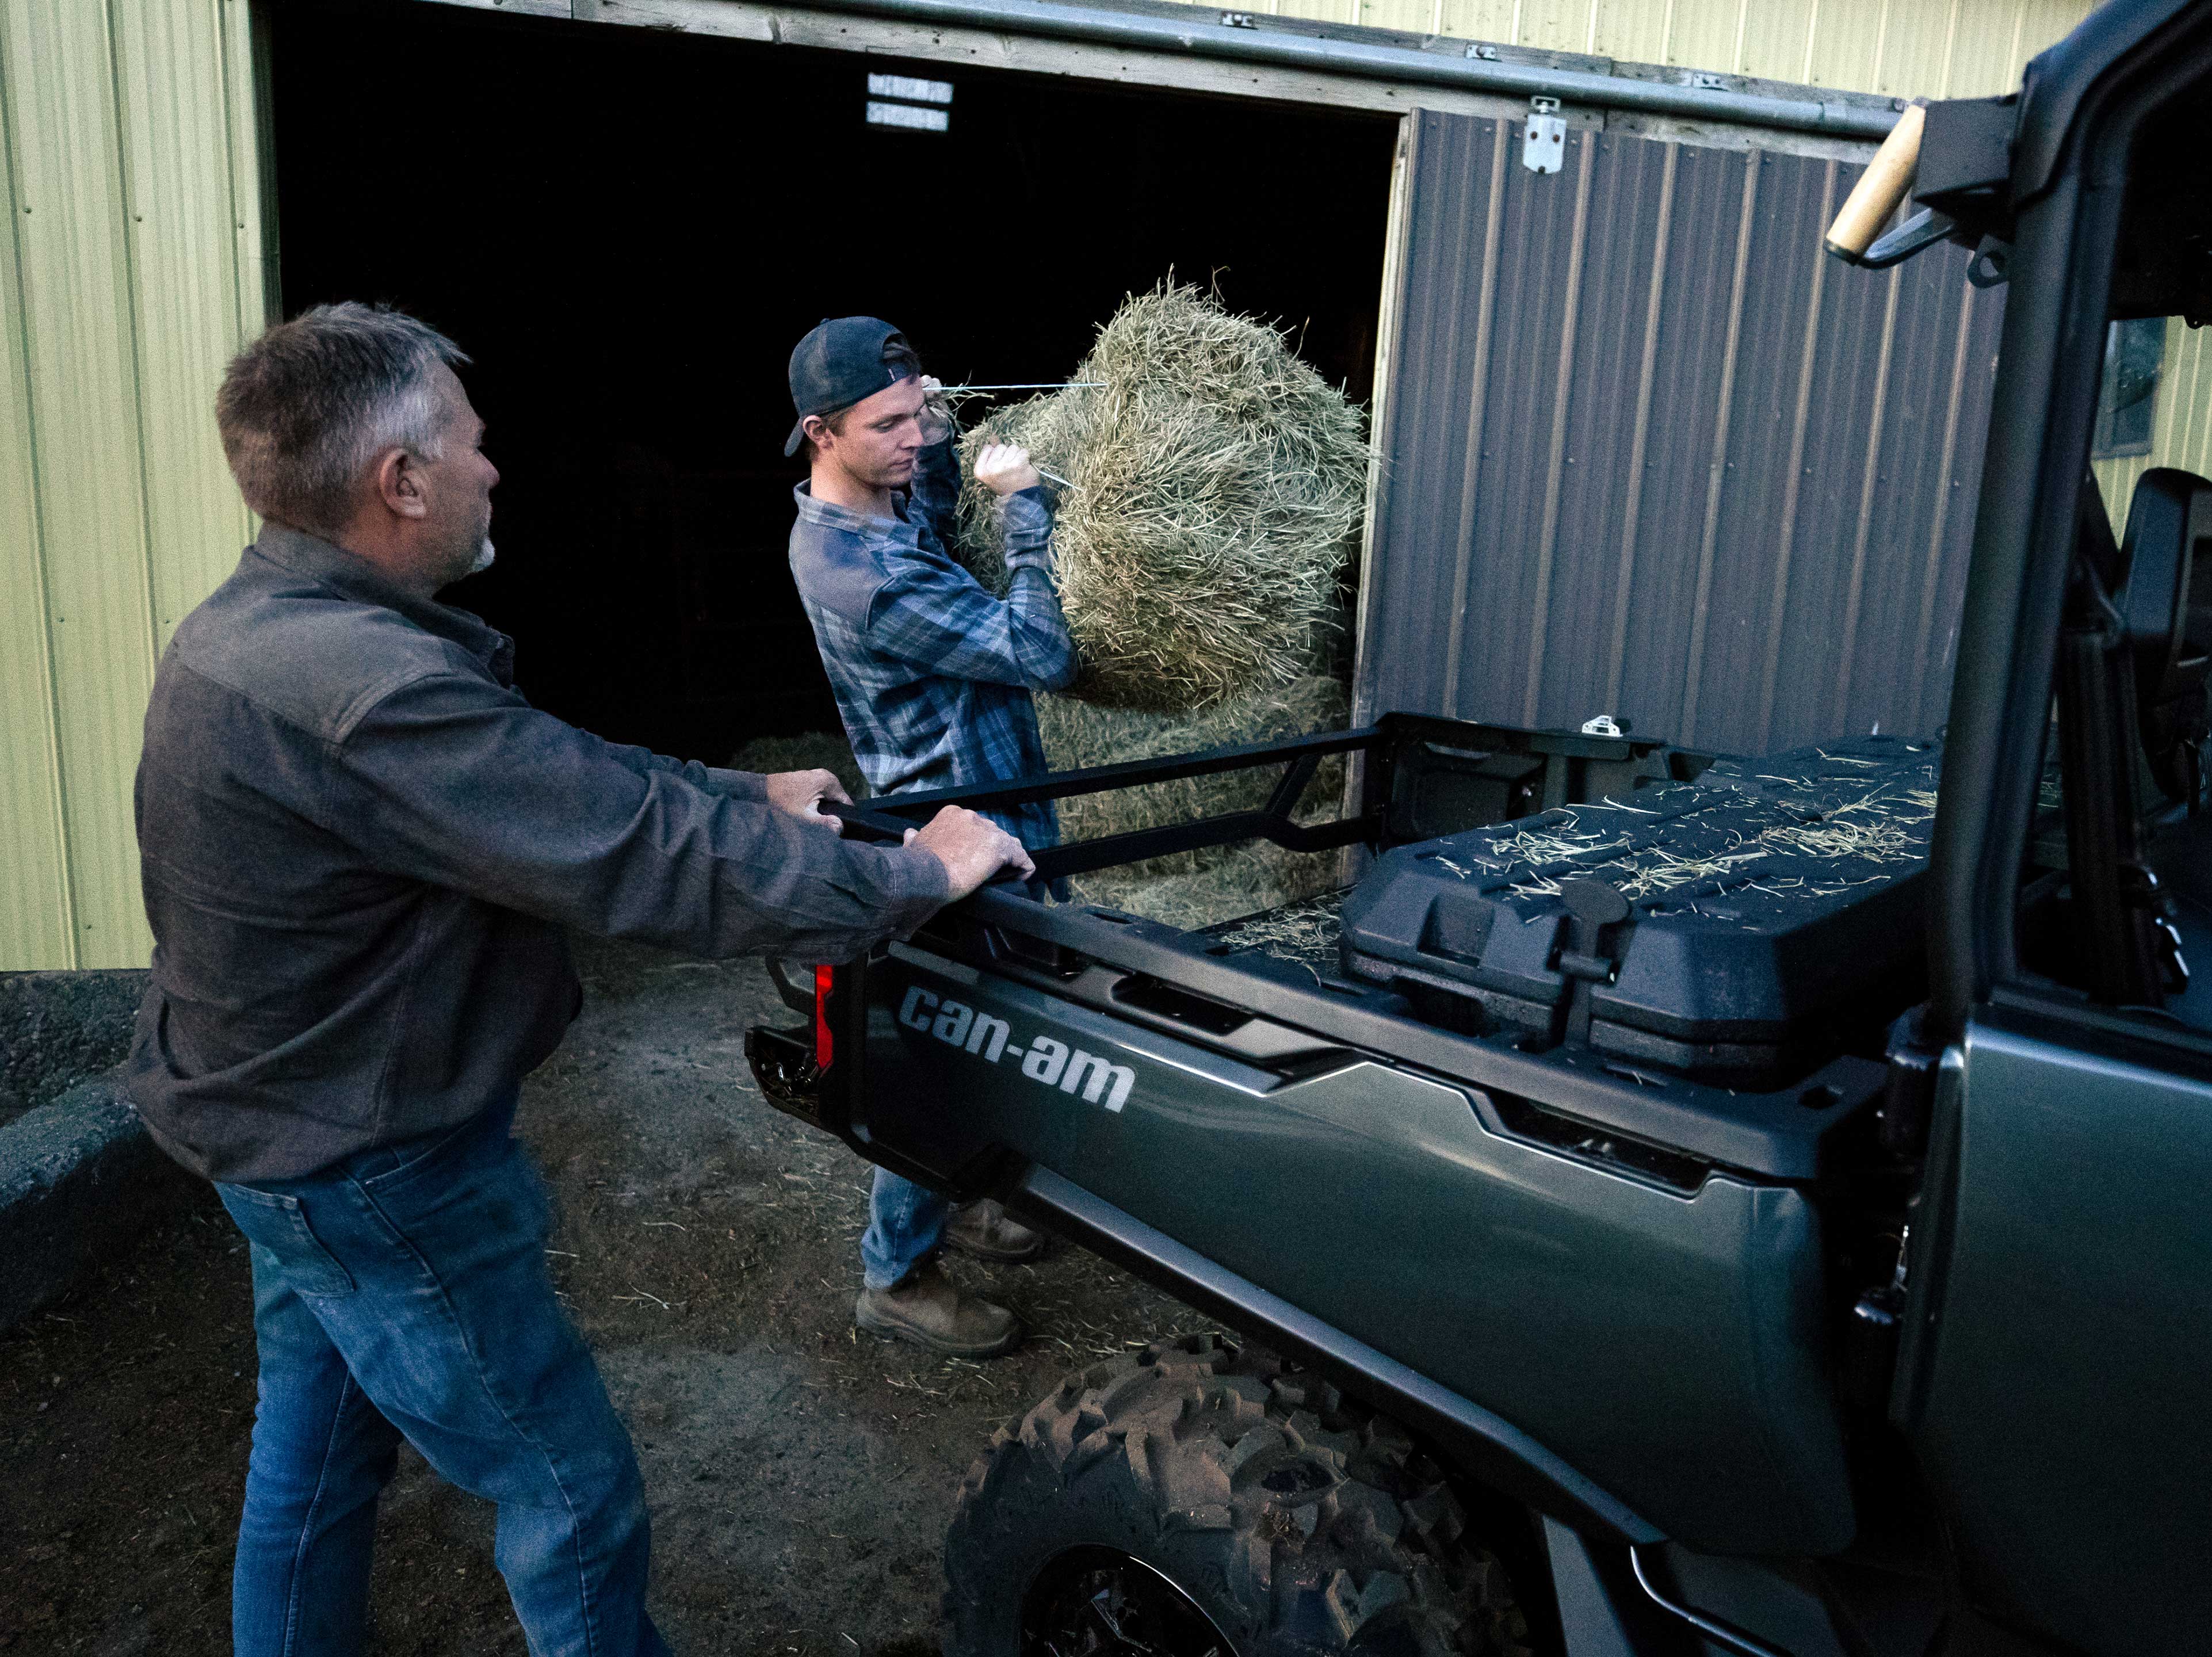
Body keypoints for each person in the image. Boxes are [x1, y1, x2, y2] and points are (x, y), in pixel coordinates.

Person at [128, 301, 1031, 1657]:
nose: (495, 468)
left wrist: (748, 789)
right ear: (402, 482)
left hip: (277, 1136)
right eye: (474, 445)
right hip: (376, 1164)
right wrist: (915, 875)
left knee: (312, 1476)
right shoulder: (365, 687)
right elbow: (631, 853)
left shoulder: (265, 627)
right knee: (573, 1494)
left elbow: (539, 775)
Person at [783, 316, 1080, 1360]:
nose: (916, 438)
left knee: (994, 1028)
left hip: (992, 799)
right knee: (945, 1051)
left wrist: (944, 439)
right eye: (891, 423)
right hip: (952, 827)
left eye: (921, 413)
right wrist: (1029, 509)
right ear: (821, 432)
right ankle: (895, 1276)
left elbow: (928, 505)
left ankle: (965, 1198)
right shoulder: (866, 576)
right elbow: (1038, 651)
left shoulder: (869, 512)